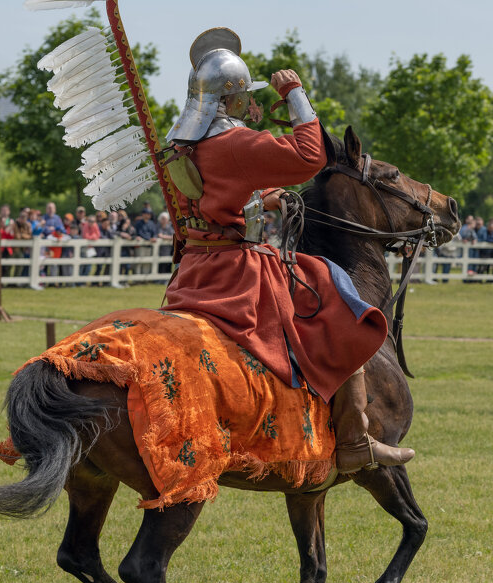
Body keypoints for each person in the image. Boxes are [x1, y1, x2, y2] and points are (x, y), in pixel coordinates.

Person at [164, 28, 414, 473]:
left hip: (193, 269)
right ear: (231, 99)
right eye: (246, 97)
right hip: (238, 272)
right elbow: (311, 155)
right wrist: (294, 93)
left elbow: (214, 196)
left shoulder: (180, 144)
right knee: (338, 295)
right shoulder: (236, 143)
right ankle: (355, 438)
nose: (250, 105)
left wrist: (262, 199)